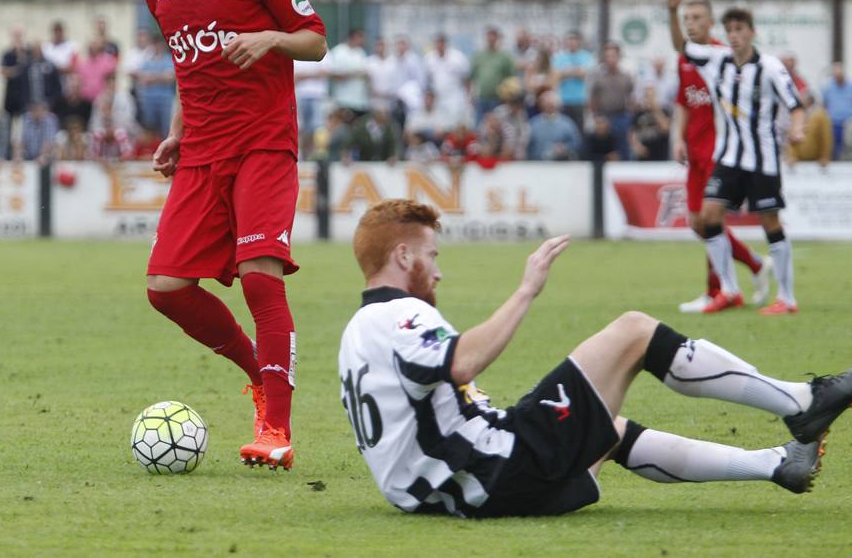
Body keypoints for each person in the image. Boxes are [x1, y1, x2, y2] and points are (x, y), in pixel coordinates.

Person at [339, 199, 852, 518]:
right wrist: (526, 291)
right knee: (633, 332)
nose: (438, 271)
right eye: (432, 256)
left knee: (609, 425)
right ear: (403, 256)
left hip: (449, 490)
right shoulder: (399, 315)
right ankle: (801, 401)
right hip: (494, 472)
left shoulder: (356, 333)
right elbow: (463, 364)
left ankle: (776, 465)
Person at [141, 0, 327, 470]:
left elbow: (316, 40)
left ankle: (276, 426)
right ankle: (258, 374)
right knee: (166, 290)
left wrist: (271, 38)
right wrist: (175, 134)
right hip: (200, 154)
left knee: (259, 276)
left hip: (263, 146)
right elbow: (185, 69)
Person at [669, 0, 804, 316]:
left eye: (740, 29)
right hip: (728, 157)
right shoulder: (718, 60)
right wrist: (673, 11)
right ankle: (729, 290)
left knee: (770, 222)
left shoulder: (770, 67)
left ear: (752, 32)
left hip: (763, 160)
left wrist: (798, 129)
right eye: (730, 30)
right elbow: (682, 48)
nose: (735, 36)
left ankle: (787, 297)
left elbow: (796, 105)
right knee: (708, 217)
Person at [588, 42, 635, 160]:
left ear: (619, 56)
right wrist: (595, 117)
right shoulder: (597, 76)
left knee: (623, 147)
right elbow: (593, 98)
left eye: (613, 56)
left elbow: (631, 97)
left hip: (621, 116)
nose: (610, 59)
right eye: (607, 56)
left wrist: (631, 118)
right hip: (603, 116)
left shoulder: (626, 76)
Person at [424, 34, 471, 130]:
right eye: (437, 42)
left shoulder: (458, 58)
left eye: (442, 42)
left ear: (446, 44)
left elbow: (467, 79)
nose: (440, 45)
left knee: (455, 124)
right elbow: (427, 81)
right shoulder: (429, 59)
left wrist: (468, 97)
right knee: (439, 126)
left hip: (455, 96)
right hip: (438, 97)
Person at [469, 27, 515, 126]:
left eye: (493, 36)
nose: (491, 38)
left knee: (498, 126)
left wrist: (507, 97)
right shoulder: (478, 56)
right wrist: (471, 95)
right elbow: (472, 77)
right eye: (489, 36)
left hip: (498, 99)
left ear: (497, 38)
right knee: (480, 126)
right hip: (481, 98)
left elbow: (510, 78)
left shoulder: (504, 56)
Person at [551, 30, 594, 129]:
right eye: (569, 39)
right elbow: (556, 75)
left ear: (579, 41)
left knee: (579, 128)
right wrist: (576, 71)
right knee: (564, 127)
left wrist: (567, 72)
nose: (571, 42)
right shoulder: (559, 57)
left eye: (574, 39)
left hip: (580, 100)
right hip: (563, 100)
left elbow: (587, 74)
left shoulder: (587, 56)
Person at [527, 89, 581, 161]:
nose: (549, 106)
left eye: (552, 103)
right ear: (541, 105)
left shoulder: (567, 123)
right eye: (546, 103)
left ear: (558, 104)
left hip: (560, 166)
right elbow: (527, 146)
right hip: (536, 165)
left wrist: (565, 147)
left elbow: (577, 143)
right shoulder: (533, 123)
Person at [329, 29, 370, 117]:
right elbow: (332, 74)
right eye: (360, 38)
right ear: (354, 37)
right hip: (343, 100)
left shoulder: (361, 52)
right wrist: (352, 74)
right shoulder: (338, 51)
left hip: (360, 101)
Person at [786, 91, 832, 167]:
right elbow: (792, 137)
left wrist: (825, 156)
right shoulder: (798, 114)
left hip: (816, 161)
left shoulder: (821, 116)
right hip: (799, 161)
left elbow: (826, 137)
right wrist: (792, 155)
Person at [630, 84, 671, 161]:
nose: (649, 98)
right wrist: (637, 146)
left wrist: (655, 109)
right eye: (647, 96)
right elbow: (632, 132)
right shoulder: (639, 113)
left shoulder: (664, 111)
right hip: (643, 155)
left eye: (651, 95)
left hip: (660, 155)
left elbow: (666, 129)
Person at [822, 62, 852, 160]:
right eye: (836, 76)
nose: (838, 77)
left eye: (840, 75)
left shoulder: (850, 86)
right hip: (832, 121)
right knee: (832, 144)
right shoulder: (828, 87)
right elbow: (824, 104)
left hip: (848, 121)